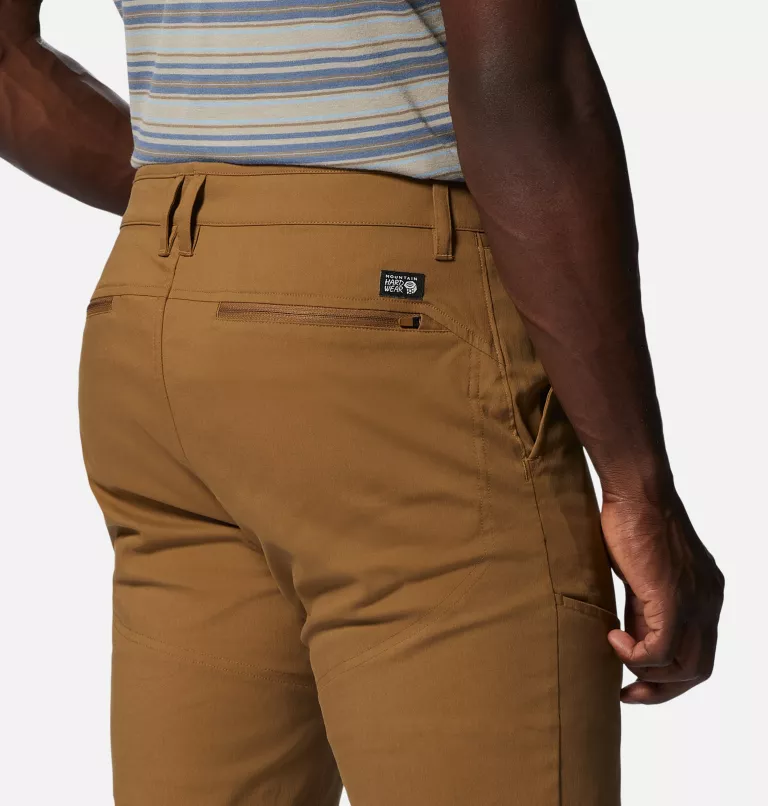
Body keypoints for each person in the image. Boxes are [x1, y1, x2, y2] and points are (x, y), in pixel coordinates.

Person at [0, 1, 724, 804]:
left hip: (156, 318)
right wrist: (636, 484)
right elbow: (523, 87)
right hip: (385, 348)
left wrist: (235, 218)